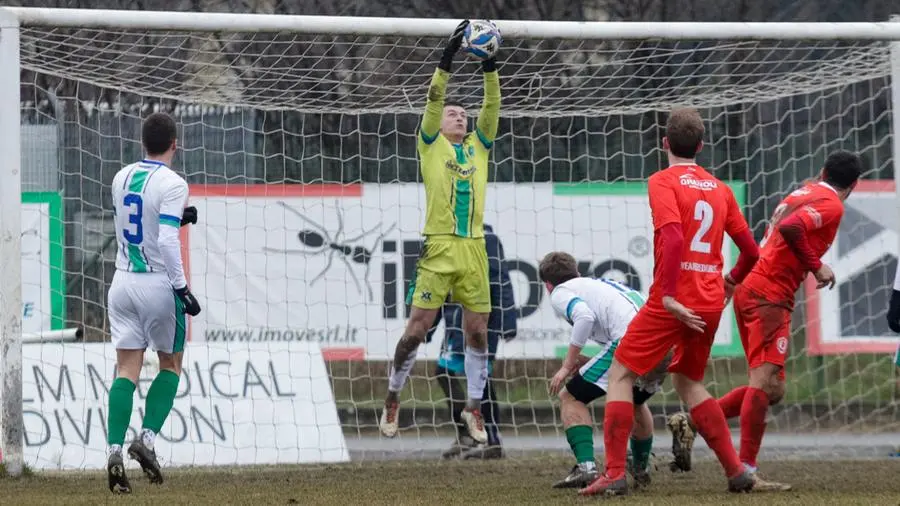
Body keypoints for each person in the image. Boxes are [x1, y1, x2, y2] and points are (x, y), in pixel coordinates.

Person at [579, 108, 761, 496]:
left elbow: (675, 239)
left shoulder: (662, 181)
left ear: (664, 143)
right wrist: (729, 283)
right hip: (710, 302)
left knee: (620, 376)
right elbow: (751, 253)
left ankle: (614, 474)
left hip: (675, 300)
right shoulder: (720, 188)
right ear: (701, 145)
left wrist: (668, 295)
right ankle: (736, 471)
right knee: (690, 382)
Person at [667, 151, 862, 491]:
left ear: (822, 171)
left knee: (773, 388)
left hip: (752, 289)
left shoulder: (803, 191)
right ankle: (745, 470)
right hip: (770, 295)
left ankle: (695, 421)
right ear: (854, 185)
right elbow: (790, 228)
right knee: (762, 383)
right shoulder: (832, 205)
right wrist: (817, 266)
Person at [379, 19, 501, 444]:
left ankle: (474, 408)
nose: (459, 116)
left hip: (474, 250)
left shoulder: (478, 147)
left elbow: (492, 107)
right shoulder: (431, 143)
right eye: (453, 112)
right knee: (416, 330)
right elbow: (434, 99)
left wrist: (490, 66)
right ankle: (393, 396)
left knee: (478, 332)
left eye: (462, 114)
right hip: (439, 247)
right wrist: (446, 59)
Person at [105, 112, 202, 494]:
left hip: (122, 282)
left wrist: (180, 218)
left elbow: (137, 221)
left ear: (142, 143)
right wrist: (181, 289)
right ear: (175, 144)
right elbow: (163, 241)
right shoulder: (174, 183)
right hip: (159, 285)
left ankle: (113, 450)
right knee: (171, 363)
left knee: (125, 368)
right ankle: (146, 439)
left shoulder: (121, 176)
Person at [539, 252, 667, 490]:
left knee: (571, 396)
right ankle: (640, 468)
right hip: (663, 341)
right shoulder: (600, 284)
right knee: (635, 401)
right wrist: (587, 360)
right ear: (577, 272)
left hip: (631, 339)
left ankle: (587, 468)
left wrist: (567, 365)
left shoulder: (560, 291)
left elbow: (584, 317)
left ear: (547, 285)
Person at [429, 224, 517, 459]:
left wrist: (508, 322)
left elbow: (500, 281)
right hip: (455, 326)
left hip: (483, 324)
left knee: (480, 379)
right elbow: (438, 289)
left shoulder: (487, 239)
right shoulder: (446, 239)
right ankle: (466, 433)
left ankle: (493, 440)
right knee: (443, 373)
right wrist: (429, 326)